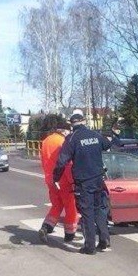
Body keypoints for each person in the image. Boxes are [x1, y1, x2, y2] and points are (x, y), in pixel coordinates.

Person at [53, 109, 112, 255]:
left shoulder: (72, 139)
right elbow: (107, 145)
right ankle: (104, 241)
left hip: (84, 182)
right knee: (99, 210)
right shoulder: (95, 135)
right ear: (84, 122)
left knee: (86, 213)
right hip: (98, 178)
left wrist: (56, 178)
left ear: (72, 125)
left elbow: (61, 161)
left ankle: (89, 246)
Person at [38, 116, 79, 244]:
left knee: (57, 205)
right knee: (71, 207)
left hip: (50, 179)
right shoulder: (63, 141)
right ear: (63, 130)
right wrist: (72, 180)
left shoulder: (46, 141)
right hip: (63, 180)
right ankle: (70, 234)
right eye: (68, 130)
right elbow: (66, 163)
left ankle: (46, 227)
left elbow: (45, 161)